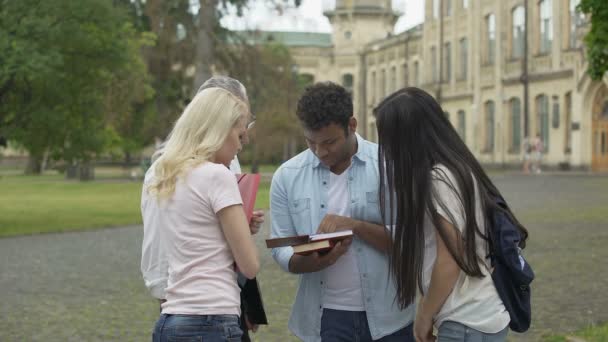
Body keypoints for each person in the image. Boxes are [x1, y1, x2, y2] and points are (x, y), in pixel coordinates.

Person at [373, 87, 528, 342]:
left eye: (389, 138)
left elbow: (450, 260)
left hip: (465, 320)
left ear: (407, 138)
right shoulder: (458, 168)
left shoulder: (439, 179)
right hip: (479, 314)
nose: (386, 148)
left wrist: (424, 314)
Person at [270, 82, 415, 342]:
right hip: (324, 320)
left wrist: (355, 226)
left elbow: (411, 242)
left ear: (352, 125)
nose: (320, 152)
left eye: (329, 142)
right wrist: (313, 261)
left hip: (391, 317)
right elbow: (282, 247)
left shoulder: (390, 165)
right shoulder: (287, 176)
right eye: (310, 142)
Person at [140, 76, 264, 341]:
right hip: (213, 317)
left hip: (171, 319)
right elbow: (249, 265)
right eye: (239, 133)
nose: (241, 144)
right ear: (218, 128)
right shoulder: (218, 175)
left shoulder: (165, 173)